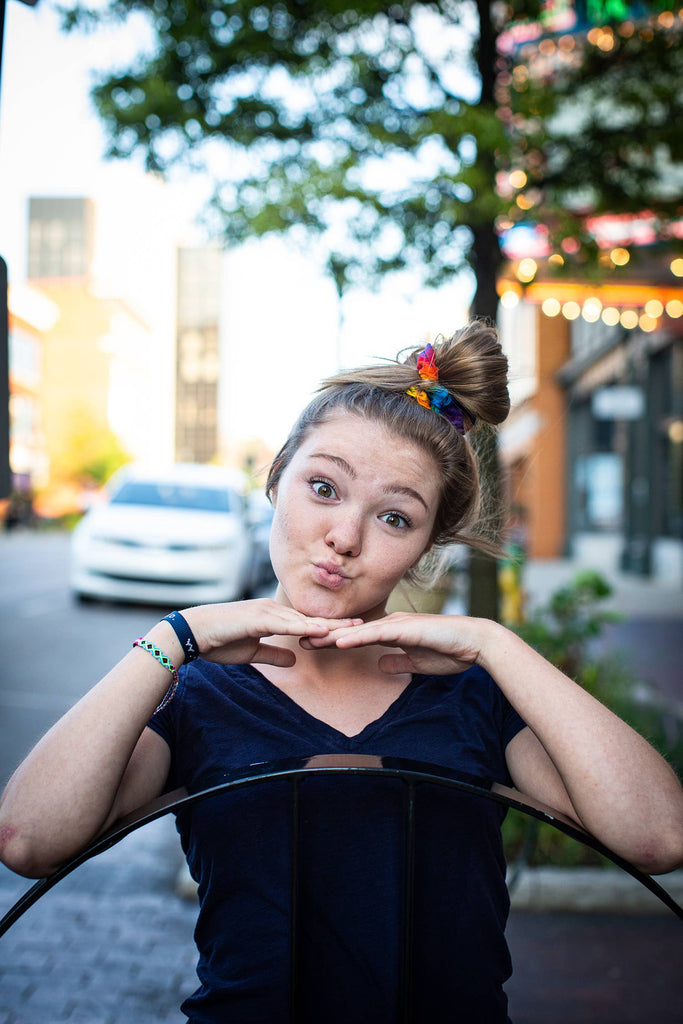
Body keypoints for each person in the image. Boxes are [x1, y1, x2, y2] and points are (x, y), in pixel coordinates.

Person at [1, 321, 682, 1023]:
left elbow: (657, 837)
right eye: (323, 487)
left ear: (425, 547)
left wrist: (496, 645)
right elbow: (29, 840)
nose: (344, 538)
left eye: (394, 518)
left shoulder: (470, 693)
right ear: (276, 479)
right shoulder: (199, 695)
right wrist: (171, 639)